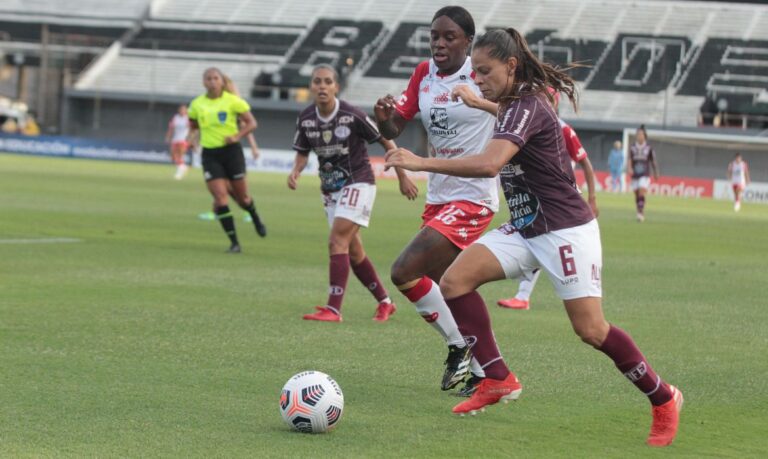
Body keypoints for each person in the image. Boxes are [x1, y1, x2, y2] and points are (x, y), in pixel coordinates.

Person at [384, 27, 682, 447]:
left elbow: (490, 164)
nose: (476, 79)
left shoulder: (527, 102)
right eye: (474, 73)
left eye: (484, 72)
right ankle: (498, 378)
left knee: (591, 330)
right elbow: (509, 118)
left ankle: (663, 397)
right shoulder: (512, 102)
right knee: (454, 281)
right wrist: (481, 102)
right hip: (527, 225)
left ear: (510, 66)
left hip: (565, 229)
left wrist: (421, 162)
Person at [374, 6, 500, 394]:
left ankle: (459, 347)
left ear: (468, 41)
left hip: (474, 197)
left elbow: (526, 109)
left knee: (403, 270)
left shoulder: (482, 76)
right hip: (440, 197)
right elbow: (398, 123)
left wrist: (480, 102)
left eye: (449, 37)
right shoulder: (423, 74)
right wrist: (384, 119)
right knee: (452, 286)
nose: (440, 43)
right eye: (434, 36)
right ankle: (484, 370)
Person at [289, 64, 418, 322]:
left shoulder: (351, 114)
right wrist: (296, 170)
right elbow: (303, 151)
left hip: (358, 182)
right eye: (317, 82)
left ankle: (333, 309)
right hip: (330, 190)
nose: (322, 86)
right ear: (312, 86)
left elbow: (384, 138)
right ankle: (385, 301)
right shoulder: (306, 118)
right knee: (353, 251)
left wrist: (402, 175)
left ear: (336, 86)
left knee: (336, 241)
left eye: (328, 81)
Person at [497, 100, 599, 311]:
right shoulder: (523, 120)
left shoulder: (563, 129)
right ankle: (523, 296)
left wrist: (592, 198)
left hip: (561, 198)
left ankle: (525, 295)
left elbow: (585, 163)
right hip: (539, 195)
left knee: (542, 242)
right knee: (537, 241)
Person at [188, 67, 267, 253]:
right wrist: (192, 139)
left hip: (232, 153)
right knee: (220, 197)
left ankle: (255, 217)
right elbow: (193, 124)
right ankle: (234, 243)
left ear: (222, 81)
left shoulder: (233, 101)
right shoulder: (197, 104)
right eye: (208, 78)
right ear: (203, 82)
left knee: (242, 198)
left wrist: (237, 136)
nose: (212, 81)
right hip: (210, 155)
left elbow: (252, 123)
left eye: (216, 78)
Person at [627, 125, 659, 222]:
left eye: (641, 134)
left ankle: (640, 213)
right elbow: (630, 159)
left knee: (641, 192)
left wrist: (656, 172)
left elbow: (653, 161)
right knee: (637, 195)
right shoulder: (632, 147)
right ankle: (639, 211)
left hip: (645, 174)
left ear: (645, 135)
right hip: (635, 174)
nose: (639, 136)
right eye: (638, 134)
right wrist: (629, 168)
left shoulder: (649, 148)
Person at [166, 105, 191, 180]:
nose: (182, 111)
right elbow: (171, 128)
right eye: (181, 109)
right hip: (175, 139)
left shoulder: (188, 118)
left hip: (183, 139)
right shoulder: (176, 117)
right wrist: (168, 137)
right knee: (173, 156)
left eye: (184, 110)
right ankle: (183, 167)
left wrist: (190, 140)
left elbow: (192, 130)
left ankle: (179, 173)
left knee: (180, 156)